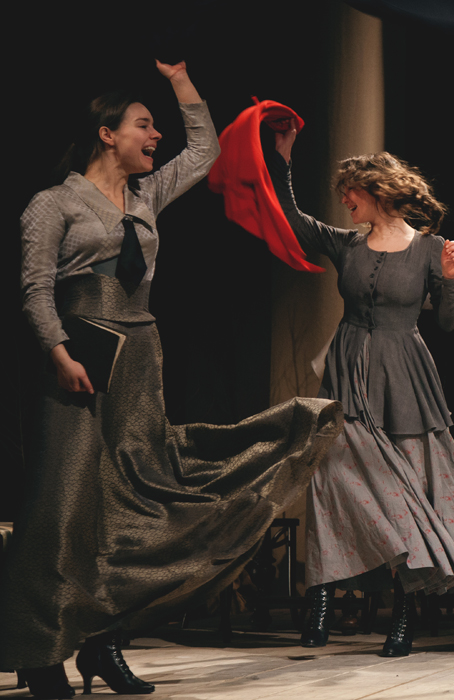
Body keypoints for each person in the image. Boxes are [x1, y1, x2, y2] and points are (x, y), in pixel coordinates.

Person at [4, 61, 343, 699]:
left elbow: (204, 151)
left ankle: (104, 643)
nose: (154, 135)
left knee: (134, 502)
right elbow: (34, 289)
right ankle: (41, 652)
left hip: (139, 356)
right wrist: (58, 353)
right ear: (107, 133)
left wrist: (182, 81)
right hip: (78, 361)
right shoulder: (54, 203)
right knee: (64, 505)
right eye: (144, 124)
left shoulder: (147, 195)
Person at [269, 126, 454, 658]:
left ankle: (403, 612)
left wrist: (450, 278)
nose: (344, 201)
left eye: (349, 192)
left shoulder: (429, 249)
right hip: (346, 374)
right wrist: (282, 164)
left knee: (404, 495)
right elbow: (293, 221)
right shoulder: (347, 244)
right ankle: (322, 600)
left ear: (376, 191)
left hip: (403, 378)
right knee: (331, 484)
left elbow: (447, 323)